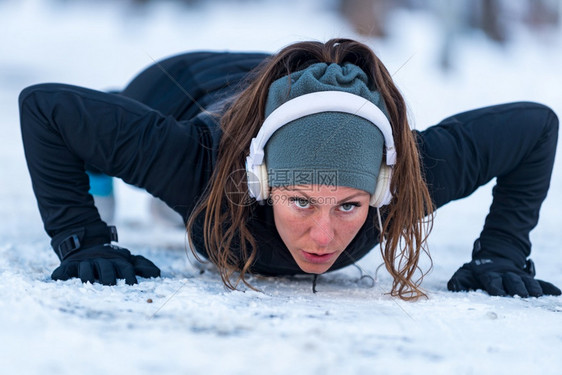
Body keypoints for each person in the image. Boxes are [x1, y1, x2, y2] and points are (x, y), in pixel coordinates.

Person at [19, 38, 560, 300]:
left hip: (289, 95)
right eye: (301, 200)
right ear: (261, 184)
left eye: (349, 205)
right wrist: (82, 239)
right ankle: (108, 155)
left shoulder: (407, 178)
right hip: (184, 84)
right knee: (131, 157)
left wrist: (503, 252)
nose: (323, 237)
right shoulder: (193, 163)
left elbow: (535, 126)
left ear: (380, 188)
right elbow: (45, 106)